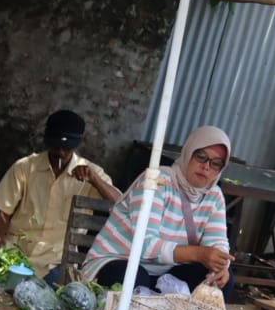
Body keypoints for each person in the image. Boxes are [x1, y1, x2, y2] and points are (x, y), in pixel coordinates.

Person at [81, 125, 234, 297]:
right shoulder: (157, 181)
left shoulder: (214, 196)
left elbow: (217, 241)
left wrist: (221, 267)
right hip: (118, 261)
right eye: (201, 157)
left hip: (164, 273)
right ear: (188, 153)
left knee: (220, 284)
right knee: (133, 279)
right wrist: (199, 254)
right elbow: (145, 246)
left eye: (215, 164)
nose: (206, 167)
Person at [0, 110, 121, 280]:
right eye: (56, 146)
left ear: (77, 144)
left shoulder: (92, 173)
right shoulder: (25, 167)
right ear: (47, 140)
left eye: (67, 148)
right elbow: (1, 215)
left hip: (55, 262)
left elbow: (121, 205)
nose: (61, 153)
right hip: (14, 251)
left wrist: (95, 180)